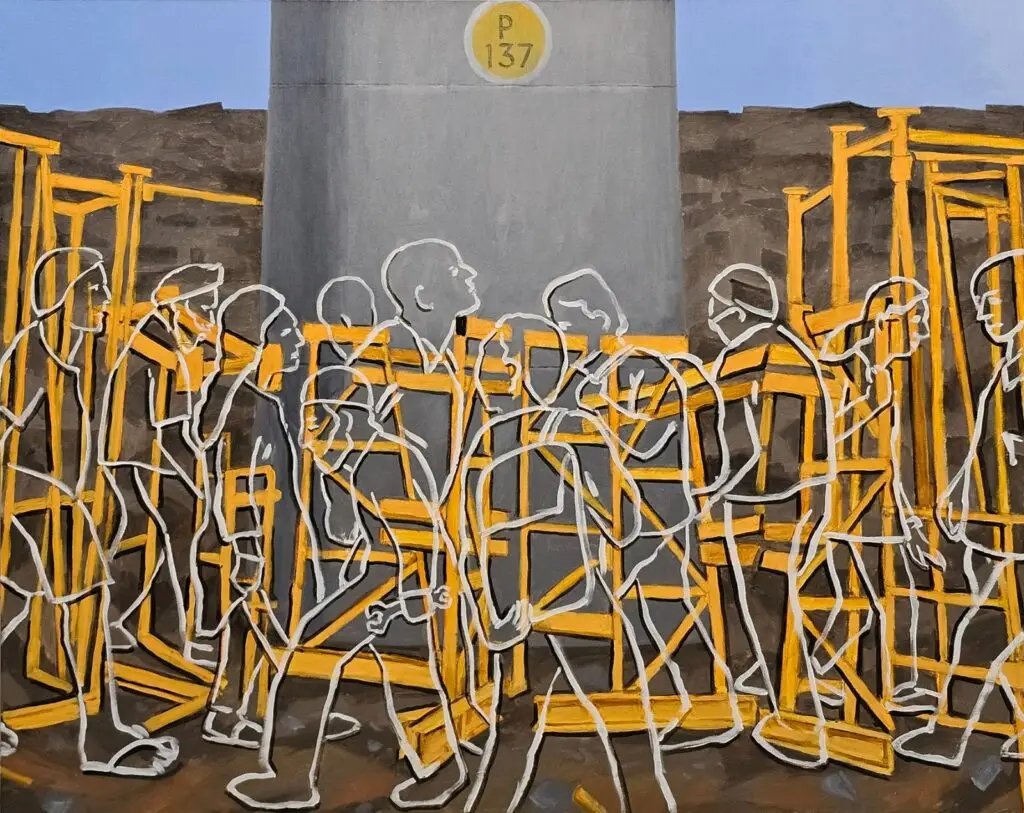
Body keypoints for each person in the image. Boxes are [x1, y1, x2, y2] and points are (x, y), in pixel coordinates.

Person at [227, 364, 466, 811]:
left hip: (385, 575)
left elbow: (415, 528)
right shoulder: (361, 458)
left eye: (320, 419)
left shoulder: (374, 458)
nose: (312, 432)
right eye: (311, 419)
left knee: (305, 662)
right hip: (382, 577)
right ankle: (438, 771)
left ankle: (294, 782)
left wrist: (415, 597)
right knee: (360, 671)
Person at [0, 247, 178, 776]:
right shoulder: (33, 356)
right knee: (65, 597)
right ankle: (98, 737)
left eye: (102, 288)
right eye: (92, 290)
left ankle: (101, 727)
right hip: (28, 499)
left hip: (56, 497)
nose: (102, 302)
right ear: (60, 300)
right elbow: (10, 432)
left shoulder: (80, 357)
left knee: (55, 601)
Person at [894, 249, 1024, 767]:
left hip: (1016, 528)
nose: (984, 313)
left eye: (992, 300)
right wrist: (958, 493)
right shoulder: (1006, 372)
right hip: (1005, 529)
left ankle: (951, 731)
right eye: (980, 304)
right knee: (1000, 627)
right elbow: (983, 447)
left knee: (983, 629)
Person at [706, 262, 838, 768]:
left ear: (741, 313)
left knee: (716, 540)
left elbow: (760, 456)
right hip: (804, 495)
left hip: (787, 499)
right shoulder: (792, 351)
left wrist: (714, 484)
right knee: (724, 537)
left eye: (718, 310)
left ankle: (765, 675)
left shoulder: (755, 358)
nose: (713, 321)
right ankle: (771, 670)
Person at [189, 284, 310, 748]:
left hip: (262, 531)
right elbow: (226, 470)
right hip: (244, 536)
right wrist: (240, 542)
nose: (298, 343)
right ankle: (226, 714)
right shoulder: (243, 403)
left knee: (257, 622)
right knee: (241, 624)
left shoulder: (271, 400)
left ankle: (247, 711)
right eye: (288, 334)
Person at [819, 276, 942, 712]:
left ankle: (898, 681)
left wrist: (908, 522)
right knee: (861, 594)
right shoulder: (855, 373)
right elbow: (840, 442)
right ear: (889, 322)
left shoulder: (883, 378)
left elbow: (888, 463)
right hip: (852, 502)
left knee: (897, 588)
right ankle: (831, 669)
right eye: (916, 321)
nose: (922, 330)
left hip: (879, 502)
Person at [95, 262, 225, 662]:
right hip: (143, 462)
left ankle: (172, 630)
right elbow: (152, 420)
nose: (209, 316)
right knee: (144, 535)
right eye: (205, 304)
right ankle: (124, 619)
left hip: (167, 461)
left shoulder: (185, 346)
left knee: (176, 543)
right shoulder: (149, 347)